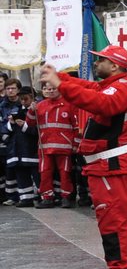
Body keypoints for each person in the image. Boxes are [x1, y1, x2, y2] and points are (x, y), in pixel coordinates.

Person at [37, 47, 127, 269]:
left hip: (111, 166)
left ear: (114, 66)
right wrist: (61, 78)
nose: (96, 63)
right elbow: (91, 89)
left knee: (113, 223)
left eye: (101, 60)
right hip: (107, 165)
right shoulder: (117, 85)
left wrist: (61, 85)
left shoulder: (120, 88)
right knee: (112, 222)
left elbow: (98, 102)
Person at [33, 78, 76, 208]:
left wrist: (75, 144)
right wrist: (31, 111)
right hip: (45, 147)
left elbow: (76, 127)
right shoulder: (39, 105)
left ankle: (66, 197)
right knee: (44, 172)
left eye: (53, 88)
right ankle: (47, 198)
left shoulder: (69, 105)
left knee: (65, 172)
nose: (51, 91)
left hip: (64, 146)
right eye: (48, 89)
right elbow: (30, 123)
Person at [3, 86, 38, 207]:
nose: (23, 102)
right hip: (17, 150)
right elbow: (7, 129)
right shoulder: (16, 110)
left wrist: (24, 126)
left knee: (37, 175)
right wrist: (11, 123)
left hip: (32, 149)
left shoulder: (37, 110)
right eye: (21, 99)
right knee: (21, 175)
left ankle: (41, 196)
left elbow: (38, 130)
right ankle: (25, 198)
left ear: (32, 97)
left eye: (26, 99)